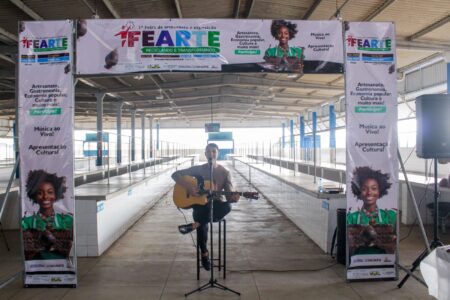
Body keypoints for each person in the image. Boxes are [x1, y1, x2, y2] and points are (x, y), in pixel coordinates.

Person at [171, 143, 240, 270]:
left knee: (228, 206)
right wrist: (189, 188)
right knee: (201, 213)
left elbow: (229, 196)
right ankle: (204, 253)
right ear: (205, 154)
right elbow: (175, 175)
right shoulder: (199, 169)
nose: (211, 154)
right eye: (208, 151)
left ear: (218, 153)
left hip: (216, 205)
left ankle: (195, 225)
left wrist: (233, 198)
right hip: (200, 204)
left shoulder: (225, 173)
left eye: (214, 151)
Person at [22, 170, 73, 260]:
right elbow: (29, 251)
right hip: (36, 268)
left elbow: (67, 248)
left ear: (56, 194)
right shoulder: (26, 222)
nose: (45, 197)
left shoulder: (67, 220)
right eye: (40, 193)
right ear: (34, 195)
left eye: (50, 192)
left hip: (61, 268)